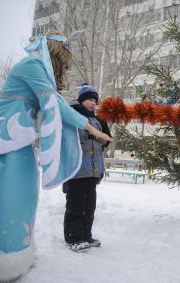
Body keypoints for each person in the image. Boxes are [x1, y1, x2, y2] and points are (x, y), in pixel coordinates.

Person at [0, 31, 112, 282]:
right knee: (3, 192)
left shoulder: (39, 71)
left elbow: (53, 101)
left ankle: (14, 250)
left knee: (22, 195)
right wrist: (89, 127)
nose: (66, 68)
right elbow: (53, 102)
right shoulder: (31, 65)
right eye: (65, 62)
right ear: (55, 54)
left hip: (19, 138)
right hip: (3, 137)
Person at [63, 83, 111, 251]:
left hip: (93, 171)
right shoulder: (72, 116)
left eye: (95, 100)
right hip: (77, 170)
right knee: (76, 205)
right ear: (81, 100)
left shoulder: (97, 121)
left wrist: (101, 136)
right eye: (89, 99)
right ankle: (73, 238)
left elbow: (105, 141)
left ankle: (85, 236)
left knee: (89, 207)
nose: (93, 103)